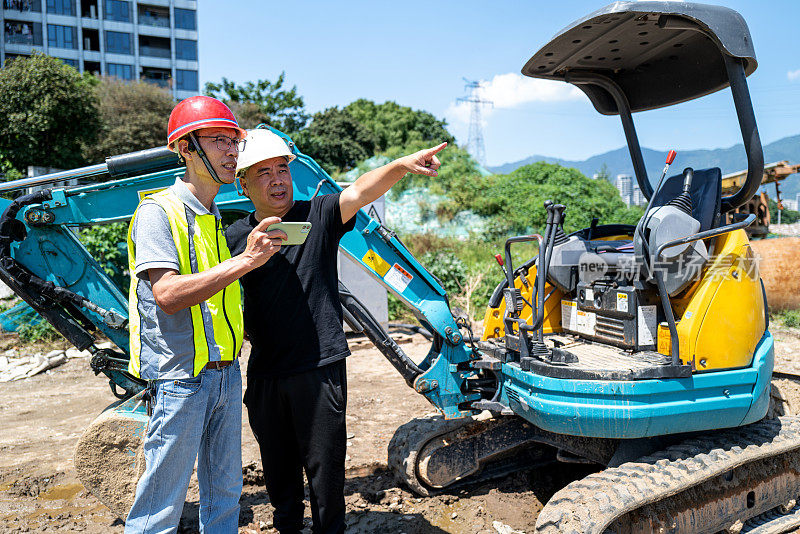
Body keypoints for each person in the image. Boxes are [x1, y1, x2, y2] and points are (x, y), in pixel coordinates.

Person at [226, 127, 446, 534]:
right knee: (279, 474)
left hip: (319, 367)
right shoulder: (235, 235)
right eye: (264, 173)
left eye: (282, 170)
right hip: (264, 375)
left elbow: (359, 192)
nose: (278, 179)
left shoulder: (319, 214)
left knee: (326, 474)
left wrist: (400, 165)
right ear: (243, 183)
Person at [125, 97, 287, 533]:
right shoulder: (158, 212)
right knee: (160, 504)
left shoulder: (213, 216)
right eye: (218, 140)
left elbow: (219, 300)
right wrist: (246, 261)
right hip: (181, 379)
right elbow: (168, 294)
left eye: (234, 140)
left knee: (225, 497)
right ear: (185, 148)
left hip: (225, 375)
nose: (232, 151)